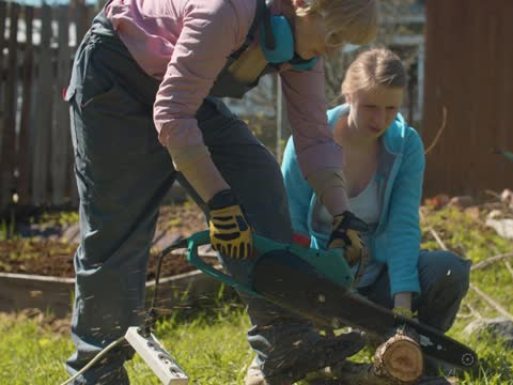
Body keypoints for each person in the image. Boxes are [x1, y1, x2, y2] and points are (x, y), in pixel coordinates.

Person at [64, 0, 378, 384]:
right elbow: (173, 115)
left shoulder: (300, 49)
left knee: (257, 180)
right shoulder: (226, 11)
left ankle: (284, 338)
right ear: (301, 5)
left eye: (342, 43)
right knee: (116, 231)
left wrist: (342, 214)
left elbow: (314, 139)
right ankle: (99, 369)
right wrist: (219, 199)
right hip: (115, 75)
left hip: (177, 88)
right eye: (332, 36)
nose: (332, 49)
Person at [281, 48, 472, 382]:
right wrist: (307, 290)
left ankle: (417, 359)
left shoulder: (405, 146)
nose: (379, 121)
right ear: (349, 94)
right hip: (321, 284)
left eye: (390, 109)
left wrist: (402, 310)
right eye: (370, 106)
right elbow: (290, 220)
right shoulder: (309, 140)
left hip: (379, 283)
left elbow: (403, 226)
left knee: (447, 270)